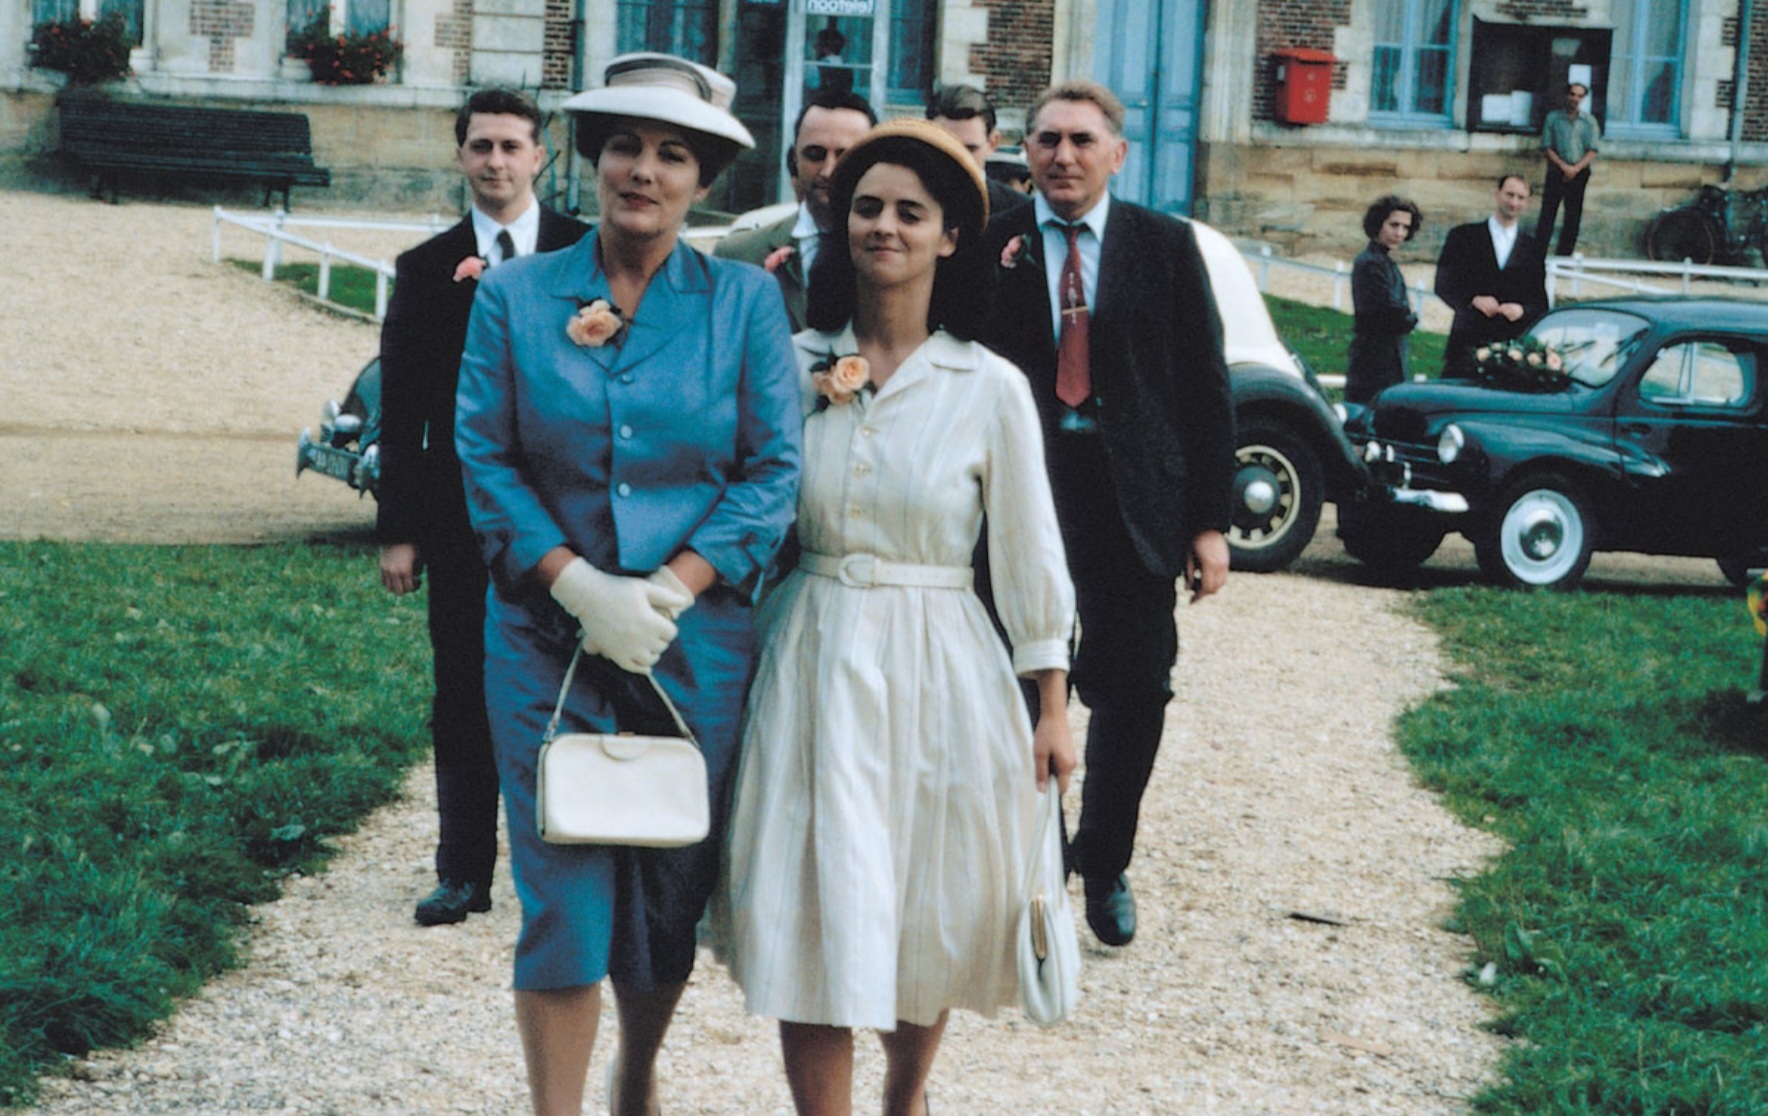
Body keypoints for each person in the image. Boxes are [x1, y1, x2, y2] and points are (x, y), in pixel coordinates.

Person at [454, 53, 801, 1116]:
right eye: (623, 147)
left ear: (704, 180)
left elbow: (771, 470)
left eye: (672, 154)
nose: (643, 170)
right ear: (590, 160)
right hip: (543, 635)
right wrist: (576, 587)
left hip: (690, 642)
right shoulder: (515, 295)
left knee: (663, 890)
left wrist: (669, 591)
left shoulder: (744, 302)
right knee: (562, 893)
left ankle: (637, 1074)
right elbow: (485, 456)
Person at [721, 118, 1077, 1116]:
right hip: (812, 647)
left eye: (910, 213)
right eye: (867, 208)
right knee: (811, 901)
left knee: (930, 893)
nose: (885, 226)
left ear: (949, 236)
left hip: (941, 659)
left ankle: (905, 1096)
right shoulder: (792, 363)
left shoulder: (988, 386)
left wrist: (1052, 706)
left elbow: (1029, 552)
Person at [978, 81, 1236, 948]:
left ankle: (1106, 858)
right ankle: (1039, 853)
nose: (1064, 156)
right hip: (1024, 495)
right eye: (1047, 140)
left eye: (1082, 140)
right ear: (1026, 153)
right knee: (1018, 680)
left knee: (1135, 689)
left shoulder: (1164, 245)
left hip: (1132, 502)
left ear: (1117, 155)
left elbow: (1203, 383)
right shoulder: (992, 241)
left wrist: (1207, 521)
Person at [376, 87, 589, 928]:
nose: (495, 161)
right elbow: (403, 407)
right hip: (463, 516)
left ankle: (569, 869)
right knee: (462, 687)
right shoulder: (427, 267)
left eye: (511, 146)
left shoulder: (584, 252)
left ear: (540, 156)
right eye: (481, 146)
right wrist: (400, 529)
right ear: (461, 155)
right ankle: (463, 870)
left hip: (573, 514)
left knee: (575, 689)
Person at [715, 89, 876, 330]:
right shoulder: (738, 256)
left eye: (844, 156)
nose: (828, 171)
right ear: (794, 160)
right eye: (815, 155)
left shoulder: (892, 252)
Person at [1434, 174, 1549, 378]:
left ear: (1527, 202)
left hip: (1511, 347)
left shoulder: (1533, 248)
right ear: (1497, 194)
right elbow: (1444, 283)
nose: (1514, 202)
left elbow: (1540, 302)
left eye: (1520, 197)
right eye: (1509, 195)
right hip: (1468, 338)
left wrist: (1521, 310)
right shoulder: (1463, 236)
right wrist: (1473, 299)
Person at [1345, 195, 1422, 403]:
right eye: (1394, 225)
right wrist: (1411, 318)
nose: (1399, 233)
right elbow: (1391, 314)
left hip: (1390, 356)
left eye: (1405, 228)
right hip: (1372, 361)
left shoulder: (1385, 263)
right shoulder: (1370, 263)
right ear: (1378, 223)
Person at [925, 83, 1029, 224]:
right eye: (946, 149)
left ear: (993, 142)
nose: (958, 160)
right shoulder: (903, 201)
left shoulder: (1022, 211)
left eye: (970, 149)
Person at [1535, 82, 1600, 257]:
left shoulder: (1589, 121)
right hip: (1556, 172)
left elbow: (1593, 149)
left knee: (1573, 216)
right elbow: (1546, 146)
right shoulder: (1553, 119)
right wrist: (1563, 167)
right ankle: (1538, 255)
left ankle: (1564, 257)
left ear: (1583, 99)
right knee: (1548, 214)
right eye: (1572, 94)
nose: (1575, 99)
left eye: (1579, 96)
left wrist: (1575, 169)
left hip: (1579, 173)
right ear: (1566, 95)